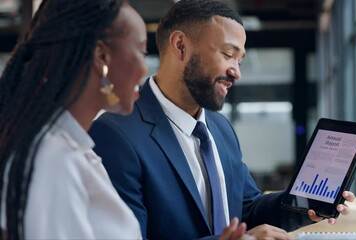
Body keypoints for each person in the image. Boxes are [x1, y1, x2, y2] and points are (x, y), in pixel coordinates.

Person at [89, 0, 355, 239]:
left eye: (240, 60)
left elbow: (246, 208)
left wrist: (307, 203)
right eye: (228, 55)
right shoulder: (114, 135)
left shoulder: (219, 128)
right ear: (180, 46)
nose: (236, 72)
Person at [0, 0, 246, 239]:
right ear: (102, 57)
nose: (144, 67)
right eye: (140, 51)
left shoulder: (78, 153)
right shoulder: (53, 160)